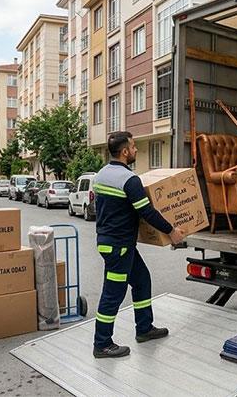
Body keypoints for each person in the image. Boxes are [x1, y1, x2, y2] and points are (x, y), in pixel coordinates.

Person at [92, 131, 186, 359]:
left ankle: (144, 328)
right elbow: (146, 212)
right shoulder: (128, 180)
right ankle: (102, 344)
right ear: (124, 152)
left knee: (142, 280)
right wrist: (171, 231)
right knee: (113, 294)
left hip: (113, 242)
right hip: (119, 246)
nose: (136, 150)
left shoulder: (102, 175)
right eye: (133, 147)